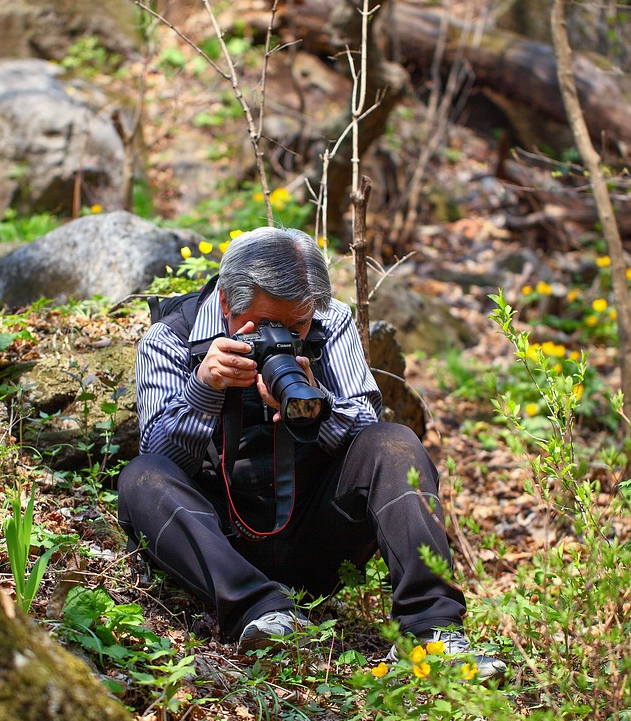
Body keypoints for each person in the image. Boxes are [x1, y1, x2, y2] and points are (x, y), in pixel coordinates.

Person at [118, 226, 505, 680]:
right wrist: (205, 390)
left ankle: (431, 630)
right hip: (219, 542)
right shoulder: (170, 338)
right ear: (226, 302)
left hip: (316, 533)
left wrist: (314, 408)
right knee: (141, 477)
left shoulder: (330, 321)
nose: (281, 336)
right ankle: (261, 611)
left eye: (296, 326)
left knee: (395, 442)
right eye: (263, 325)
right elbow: (160, 456)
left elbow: (366, 432)